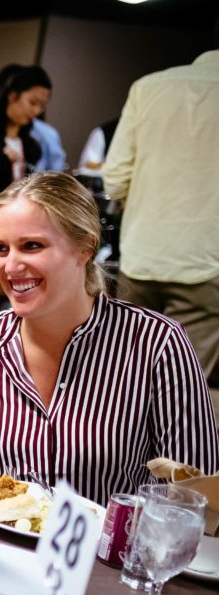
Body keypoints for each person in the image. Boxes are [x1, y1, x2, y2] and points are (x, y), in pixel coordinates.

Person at [0, 173, 217, 507]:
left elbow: (192, 496)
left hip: (102, 557)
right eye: (1, 248)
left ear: (86, 247)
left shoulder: (157, 343)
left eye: (32, 245)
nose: (11, 266)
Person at [103, 38, 219, 378]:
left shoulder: (149, 87)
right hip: (208, 262)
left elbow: (114, 177)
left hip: (141, 255)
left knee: (123, 376)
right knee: (183, 386)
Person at [0, 65, 51, 203]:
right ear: (12, 95)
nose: (36, 111)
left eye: (42, 106)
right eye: (32, 102)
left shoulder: (32, 146)